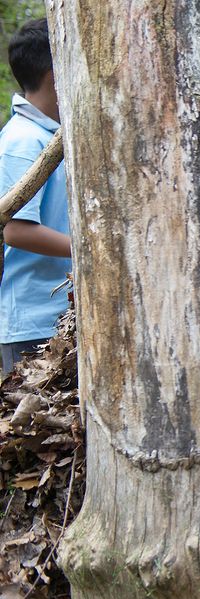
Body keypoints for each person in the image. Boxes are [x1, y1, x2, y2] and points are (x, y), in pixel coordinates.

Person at [0, 17, 71, 375]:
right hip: (33, 323)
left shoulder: (52, 136)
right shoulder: (23, 140)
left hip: (59, 316)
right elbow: (17, 230)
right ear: (56, 78)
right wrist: (91, 250)